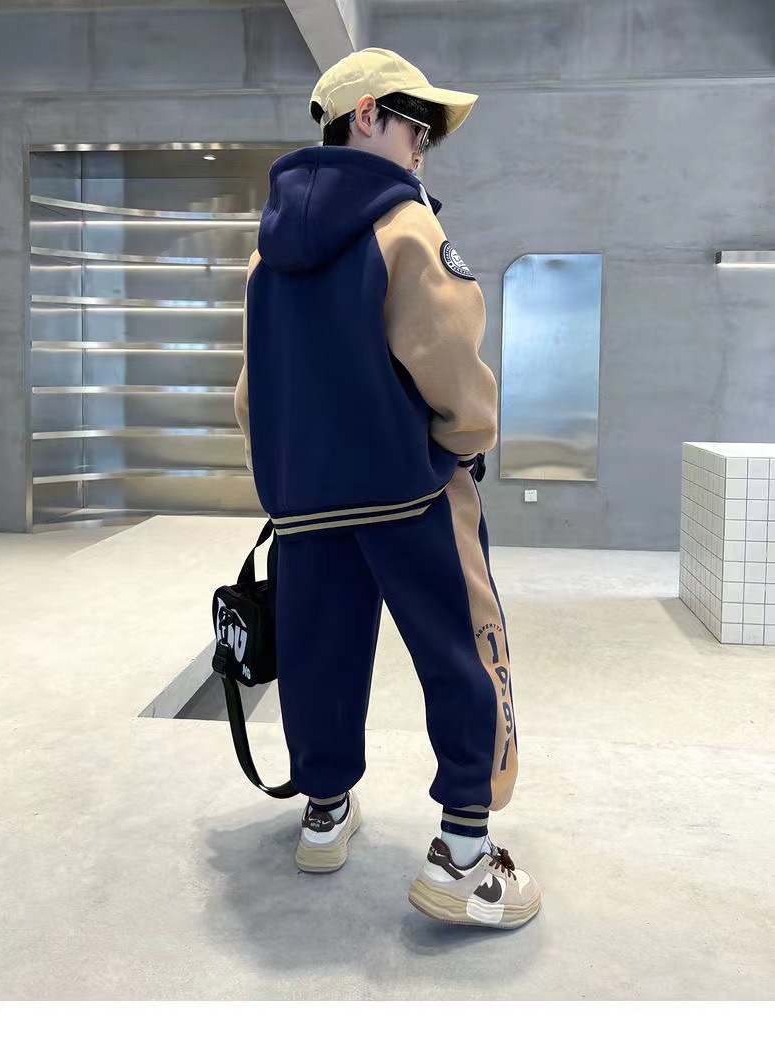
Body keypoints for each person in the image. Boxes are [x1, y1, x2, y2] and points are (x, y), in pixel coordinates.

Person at [233, 47, 541, 930]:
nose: (422, 148)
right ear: (366, 114)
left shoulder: (264, 258)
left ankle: (324, 814)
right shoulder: (405, 229)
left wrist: (288, 479)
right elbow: (448, 360)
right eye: (417, 126)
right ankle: (466, 859)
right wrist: (466, 445)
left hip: (306, 503)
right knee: (461, 654)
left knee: (319, 657)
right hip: (411, 492)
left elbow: (251, 396)